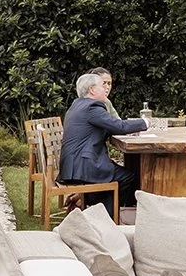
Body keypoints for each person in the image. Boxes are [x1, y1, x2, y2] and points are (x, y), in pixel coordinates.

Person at [60, 71, 147, 215]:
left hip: (74, 165)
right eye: (102, 85)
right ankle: (108, 216)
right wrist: (146, 122)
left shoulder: (77, 105)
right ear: (92, 90)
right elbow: (119, 126)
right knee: (130, 177)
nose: (106, 88)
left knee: (119, 176)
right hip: (84, 166)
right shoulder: (92, 107)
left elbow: (108, 127)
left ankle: (99, 211)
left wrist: (125, 130)